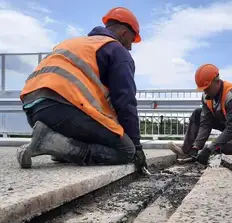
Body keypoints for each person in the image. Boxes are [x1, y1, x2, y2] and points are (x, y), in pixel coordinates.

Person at [16, 7, 148, 173]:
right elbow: (125, 100)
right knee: (126, 150)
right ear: (123, 33)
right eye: (131, 40)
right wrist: (136, 146)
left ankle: (59, 145)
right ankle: (55, 144)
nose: (130, 47)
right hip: (61, 108)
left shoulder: (74, 43)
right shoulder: (117, 50)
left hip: (32, 110)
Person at [169, 64, 232, 165]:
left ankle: (214, 157)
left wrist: (210, 148)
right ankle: (187, 151)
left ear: (217, 82)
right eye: (203, 89)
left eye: (207, 88)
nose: (205, 91)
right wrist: (196, 146)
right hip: (230, 123)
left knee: (222, 148)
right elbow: (205, 123)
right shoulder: (207, 96)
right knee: (198, 113)